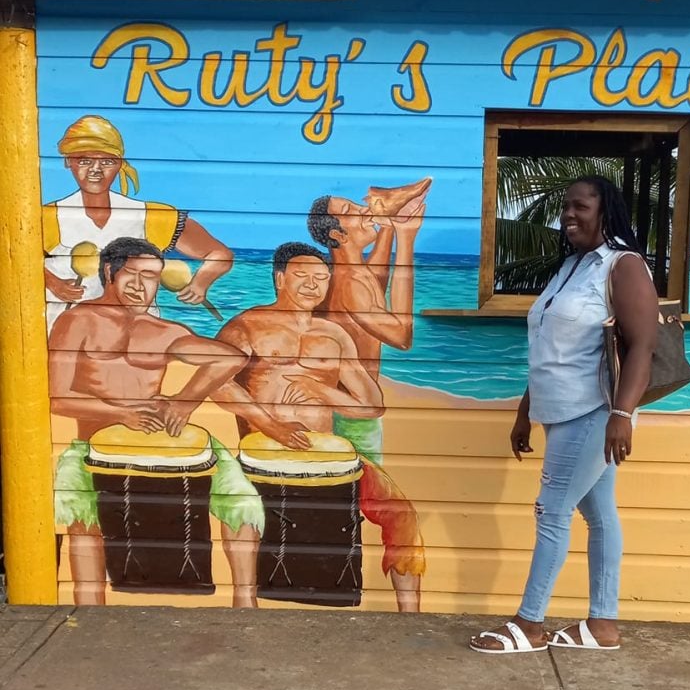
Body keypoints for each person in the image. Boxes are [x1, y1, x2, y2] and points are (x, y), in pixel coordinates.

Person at [470, 174, 658, 655]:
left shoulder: (624, 265)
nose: (569, 215)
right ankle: (602, 624)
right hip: (560, 411)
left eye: (580, 206)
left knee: (552, 510)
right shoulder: (572, 266)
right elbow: (550, 349)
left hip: (595, 410)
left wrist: (622, 412)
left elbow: (642, 345)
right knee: (599, 515)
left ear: (606, 211)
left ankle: (530, 623)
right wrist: (524, 412)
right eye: (565, 207)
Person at [49, 237, 264, 607]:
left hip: (165, 443)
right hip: (93, 447)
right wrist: (121, 413)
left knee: (242, 504)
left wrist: (184, 402)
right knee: (81, 514)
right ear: (108, 273)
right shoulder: (77, 320)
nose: (140, 285)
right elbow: (57, 396)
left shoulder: (163, 331)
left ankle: (246, 605)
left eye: (150, 276)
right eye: (131, 274)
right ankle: (87, 611)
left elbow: (229, 358)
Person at [218, 242, 425, 610]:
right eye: (302, 277)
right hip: (263, 452)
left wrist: (319, 388)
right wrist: (271, 426)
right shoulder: (246, 326)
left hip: (327, 455)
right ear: (280, 278)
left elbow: (372, 404)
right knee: (238, 504)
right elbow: (218, 383)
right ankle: (243, 604)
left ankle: (412, 616)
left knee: (402, 514)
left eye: (321, 278)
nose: (313, 286)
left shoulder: (333, 335)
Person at [306, 181, 429, 609]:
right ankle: (408, 619)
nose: (363, 210)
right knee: (400, 517)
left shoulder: (350, 274)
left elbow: (375, 281)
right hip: (351, 422)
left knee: (351, 516)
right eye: (352, 210)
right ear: (337, 235)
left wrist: (393, 227)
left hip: (352, 419)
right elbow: (402, 333)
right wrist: (408, 240)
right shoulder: (350, 282)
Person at [43, 115, 233, 328]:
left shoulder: (148, 215)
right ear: (68, 161)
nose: (96, 169)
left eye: (107, 161)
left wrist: (201, 282)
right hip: (66, 334)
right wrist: (52, 282)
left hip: (136, 335)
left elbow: (220, 254)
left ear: (120, 164)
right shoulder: (48, 216)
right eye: (84, 160)